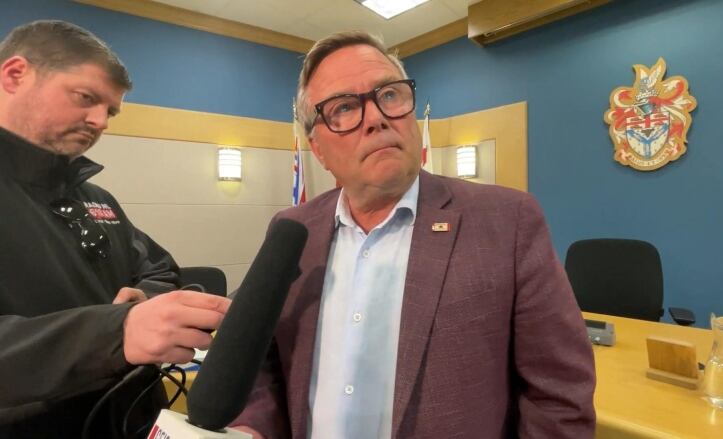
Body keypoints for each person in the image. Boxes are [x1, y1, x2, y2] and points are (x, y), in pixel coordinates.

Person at [232, 31, 595, 438]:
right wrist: (252, 428)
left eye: (388, 95)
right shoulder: (291, 232)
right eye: (345, 108)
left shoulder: (508, 221)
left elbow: (559, 396)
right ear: (317, 148)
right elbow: (261, 363)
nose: (376, 118)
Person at [0, 20, 231, 438]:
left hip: (136, 419)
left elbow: (161, 270)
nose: (100, 121)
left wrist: (146, 302)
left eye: (110, 110)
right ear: (15, 75)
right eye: (86, 98)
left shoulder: (99, 200)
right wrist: (118, 331)